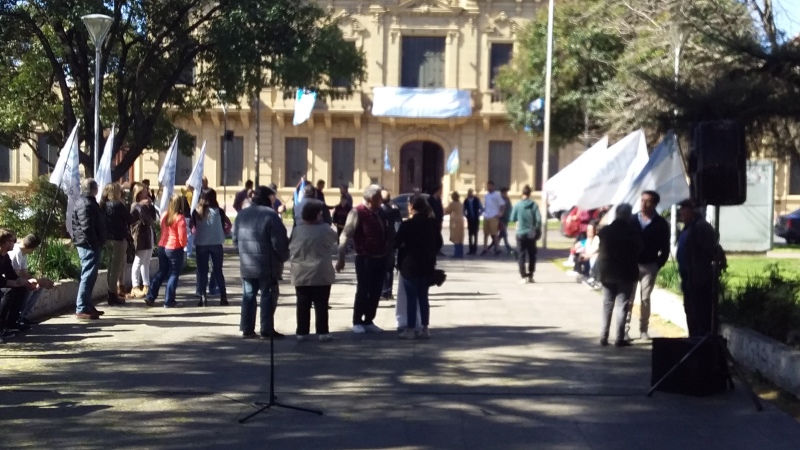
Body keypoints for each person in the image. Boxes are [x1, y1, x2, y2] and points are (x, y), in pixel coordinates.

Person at [234, 186, 289, 338]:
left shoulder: (242, 215)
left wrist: (243, 255)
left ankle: (247, 327)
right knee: (268, 295)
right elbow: (279, 242)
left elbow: (235, 239)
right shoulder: (271, 216)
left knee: (249, 295)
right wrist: (284, 257)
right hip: (268, 264)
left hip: (247, 264)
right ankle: (266, 328)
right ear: (268, 198)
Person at [336, 184, 390, 334]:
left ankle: (369, 320)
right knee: (363, 290)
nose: (382, 200)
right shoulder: (357, 212)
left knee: (376, 290)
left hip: (380, 257)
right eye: (379, 197)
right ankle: (357, 321)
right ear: (371, 199)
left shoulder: (380, 212)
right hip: (365, 258)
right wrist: (341, 258)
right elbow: (346, 235)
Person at [395, 195, 442, 339]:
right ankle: (425, 328)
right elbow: (439, 243)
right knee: (423, 297)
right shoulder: (432, 224)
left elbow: (396, 243)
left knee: (411, 298)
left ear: (411, 207)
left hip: (410, 265)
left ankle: (410, 329)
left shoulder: (407, 225)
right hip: (427, 265)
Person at [626, 190, 671, 341]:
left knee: (645, 299)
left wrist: (658, 265)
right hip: (631, 264)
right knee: (629, 298)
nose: (644, 204)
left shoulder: (661, 223)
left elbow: (665, 247)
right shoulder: (632, 220)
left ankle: (643, 329)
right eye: (642, 200)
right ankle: (625, 329)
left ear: (655, 204)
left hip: (649, 266)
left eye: (648, 201)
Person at [290, 201, 337, 342]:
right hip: (320, 271)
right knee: (321, 303)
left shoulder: (297, 230)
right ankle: (322, 331)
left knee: (302, 303)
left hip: (301, 271)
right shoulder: (325, 229)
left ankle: (302, 331)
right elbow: (334, 240)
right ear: (317, 215)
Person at [597, 203, 642, 347]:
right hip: (626, 273)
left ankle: (603, 336)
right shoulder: (632, 232)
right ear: (628, 216)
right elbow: (640, 248)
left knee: (607, 304)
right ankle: (619, 338)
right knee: (622, 305)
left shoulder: (606, 231)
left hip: (608, 273)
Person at [676, 199, 718, 337]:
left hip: (699, 279)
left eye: (684, 208)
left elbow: (712, 249)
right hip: (689, 279)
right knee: (691, 313)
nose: (681, 211)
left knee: (700, 314)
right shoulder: (688, 227)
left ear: (693, 210)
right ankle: (693, 338)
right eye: (681, 208)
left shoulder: (700, 226)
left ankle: (699, 340)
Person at [72, 178, 107, 320]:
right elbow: (87, 227)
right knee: (87, 275)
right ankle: (81, 307)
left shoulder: (88, 202)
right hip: (88, 244)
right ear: (94, 189)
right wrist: (95, 243)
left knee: (91, 276)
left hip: (90, 243)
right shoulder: (86, 204)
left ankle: (87, 305)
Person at [146, 194, 188, 308]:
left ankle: (150, 295)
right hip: (174, 247)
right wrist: (184, 245)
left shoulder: (165, 215)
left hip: (162, 246)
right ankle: (169, 300)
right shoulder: (179, 218)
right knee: (174, 274)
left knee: (162, 271)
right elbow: (182, 236)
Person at [0, 231, 43, 339]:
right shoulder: (12, 254)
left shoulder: (5, 258)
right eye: (13, 241)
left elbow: (12, 275)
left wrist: (29, 282)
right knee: (9, 291)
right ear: (5, 243)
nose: (15, 243)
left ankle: (12, 323)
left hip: (2, 283)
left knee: (21, 288)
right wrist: (16, 283)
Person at [192, 189, 229, 307]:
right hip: (216, 243)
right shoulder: (219, 211)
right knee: (218, 270)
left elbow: (193, 226)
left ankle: (202, 297)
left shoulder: (196, 212)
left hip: (201, 243)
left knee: (202, 271)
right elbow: (224, 225)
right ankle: (223, 297)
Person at [100, 183, 135, 305]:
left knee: (111, 266)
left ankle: (111, 291)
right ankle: (112, 294)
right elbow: (129, 219)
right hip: (119, 238)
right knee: (116, 267)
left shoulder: (103, 205)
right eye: (120, 190)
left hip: (108, 239)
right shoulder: (118, 205)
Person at [10, 234, 55, 330]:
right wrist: (35, 281)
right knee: (29, 288)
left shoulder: (23, 253)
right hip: (10, 282)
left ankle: (22, 316)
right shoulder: (16, 253)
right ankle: (17, 317)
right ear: (33, 248)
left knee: (37, 287)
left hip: (16, 280)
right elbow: (16, 276)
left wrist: (38, 281)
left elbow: (24, 273)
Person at [509, 185, 541, 284]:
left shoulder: (517, 205)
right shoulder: (534, 205)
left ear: (522, 193)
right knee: (532, 255)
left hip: (520, 233)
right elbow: (539, 220)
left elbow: (512, 219)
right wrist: (536, 228)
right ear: (530, 193)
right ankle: (531, 275)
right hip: (531, 233)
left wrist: (518, 220)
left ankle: (523, 276)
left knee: (521, 255)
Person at [129, 183, 156, 299]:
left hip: (148, 232)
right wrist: (143, 205)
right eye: (145, 191)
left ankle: (146, 284)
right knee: (139, 260)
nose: (147, 192)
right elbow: (144, 219)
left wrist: (150, 205)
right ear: (139, 193)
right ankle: (135, 286)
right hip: (140, 234)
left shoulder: (146, 204)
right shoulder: (136, 205)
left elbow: (153, 218)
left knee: (146, 260)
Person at [380, 189, 402, 300]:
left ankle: (383, 291)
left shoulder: (378, 211)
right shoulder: (394, 210)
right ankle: (388, 291)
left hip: (381, 242)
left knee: (382, 267)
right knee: (389, 268)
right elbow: (399, 225)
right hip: (392, 241)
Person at [481, 181, 505, 255]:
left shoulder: (497, 195)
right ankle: (485, 248)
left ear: (493, 186)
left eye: (490, 186)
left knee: (494, 233)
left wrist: (500, 213)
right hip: (486, 216)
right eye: (488, 186)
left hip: (494, 216)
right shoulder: (486, 195)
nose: (489, 187)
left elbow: (502, 204)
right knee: (485, 233)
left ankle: (497, 249)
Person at [574, 220, 600, 287]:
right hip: (589, 259)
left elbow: (597, 253)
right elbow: (585, 248)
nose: (588, 232)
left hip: (596, 261)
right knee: (579, 256)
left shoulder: (598, 240)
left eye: (590, 230)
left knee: (593, 259)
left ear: (595, 231)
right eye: (587, 230)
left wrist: (587, 255)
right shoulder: (588, 240)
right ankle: (584, 274)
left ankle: (594, 278)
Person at [445, 191, 465, 258]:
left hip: (455, 222)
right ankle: (461, 253)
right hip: (461, 221)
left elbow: (447, 211)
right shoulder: (460, 203)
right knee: (460, 237)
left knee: (455, 237)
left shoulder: (453, 204)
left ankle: (457, 254)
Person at [463, 189, 483, 255]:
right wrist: (466, 216)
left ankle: (475, 249)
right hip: (470, 220)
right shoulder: (466, 201)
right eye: (469, 193)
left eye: (471, 193)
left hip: (476, 219)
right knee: (470, 235)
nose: (470, 194)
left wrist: (479, 215)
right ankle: (470, 249)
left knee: (475, 234)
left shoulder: (476, 200)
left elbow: (482, 208)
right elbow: (463, 210)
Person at [498, 187, 515, 255]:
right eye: (504, 193)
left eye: (506, 193)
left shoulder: (507, 199)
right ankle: (507, 247)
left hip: (506, 218)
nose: (505, 194)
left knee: (502, 233)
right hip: (501, 218)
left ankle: (495, 246)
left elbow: (510, 208)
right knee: (504, 233)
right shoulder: (500, 200)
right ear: (502, 193)